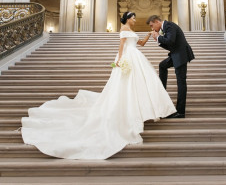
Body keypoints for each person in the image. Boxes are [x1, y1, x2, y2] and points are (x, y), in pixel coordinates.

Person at [21, 12, 176, 160]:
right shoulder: (123, 29)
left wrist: (149, 35)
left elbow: (140, 44)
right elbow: (121, 47)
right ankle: (128, 110)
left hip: (137, 57)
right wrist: (119, 61)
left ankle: (140, 108)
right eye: (133, 18)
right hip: (128, 58)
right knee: (125, 86)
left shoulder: (131, 30)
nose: (135, 20)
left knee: (141, 84)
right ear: (128, 18)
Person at [147, 15, 195, 118]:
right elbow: (169, 45)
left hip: (181, 55)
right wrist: (158, 40)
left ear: (156, 21)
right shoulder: (166, 28)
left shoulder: (169, 25)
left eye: (152, 26)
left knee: (181, 82)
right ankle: (162, 90)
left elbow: (170, 41)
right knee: (162, 65)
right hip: (175, 54)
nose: (152, 28)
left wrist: (158, 37)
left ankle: (180, 112)